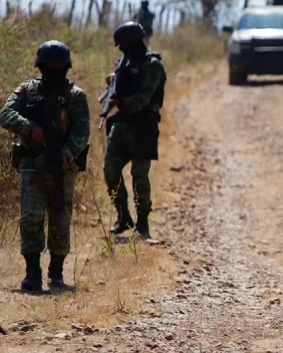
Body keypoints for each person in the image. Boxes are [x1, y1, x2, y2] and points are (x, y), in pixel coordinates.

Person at [0, 41, 90, 292]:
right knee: (30, 217)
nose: (53, 70)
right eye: (48, 66)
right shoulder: (27, 90)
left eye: (58, 67)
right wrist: (30, 129)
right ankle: (32, 272)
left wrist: (66, 154)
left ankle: (57, 273)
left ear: (66, 67)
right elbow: (5, 114)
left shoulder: (75, 96)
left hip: (62, 165)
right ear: (40, 66)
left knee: (60, 215)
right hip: (31, 163)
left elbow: (82, 132)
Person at [103, 22, 167, 239]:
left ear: (134, 43)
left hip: (143, 127)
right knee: (110, 171)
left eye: (123, 46)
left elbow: (143, 99)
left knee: (139, 176)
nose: (121, 50)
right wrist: (113, 81)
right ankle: (123, 217)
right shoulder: (123, 62)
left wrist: (120, 101)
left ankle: (142, 223)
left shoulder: (153, 65)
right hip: (121, 126)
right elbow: (123, 82)